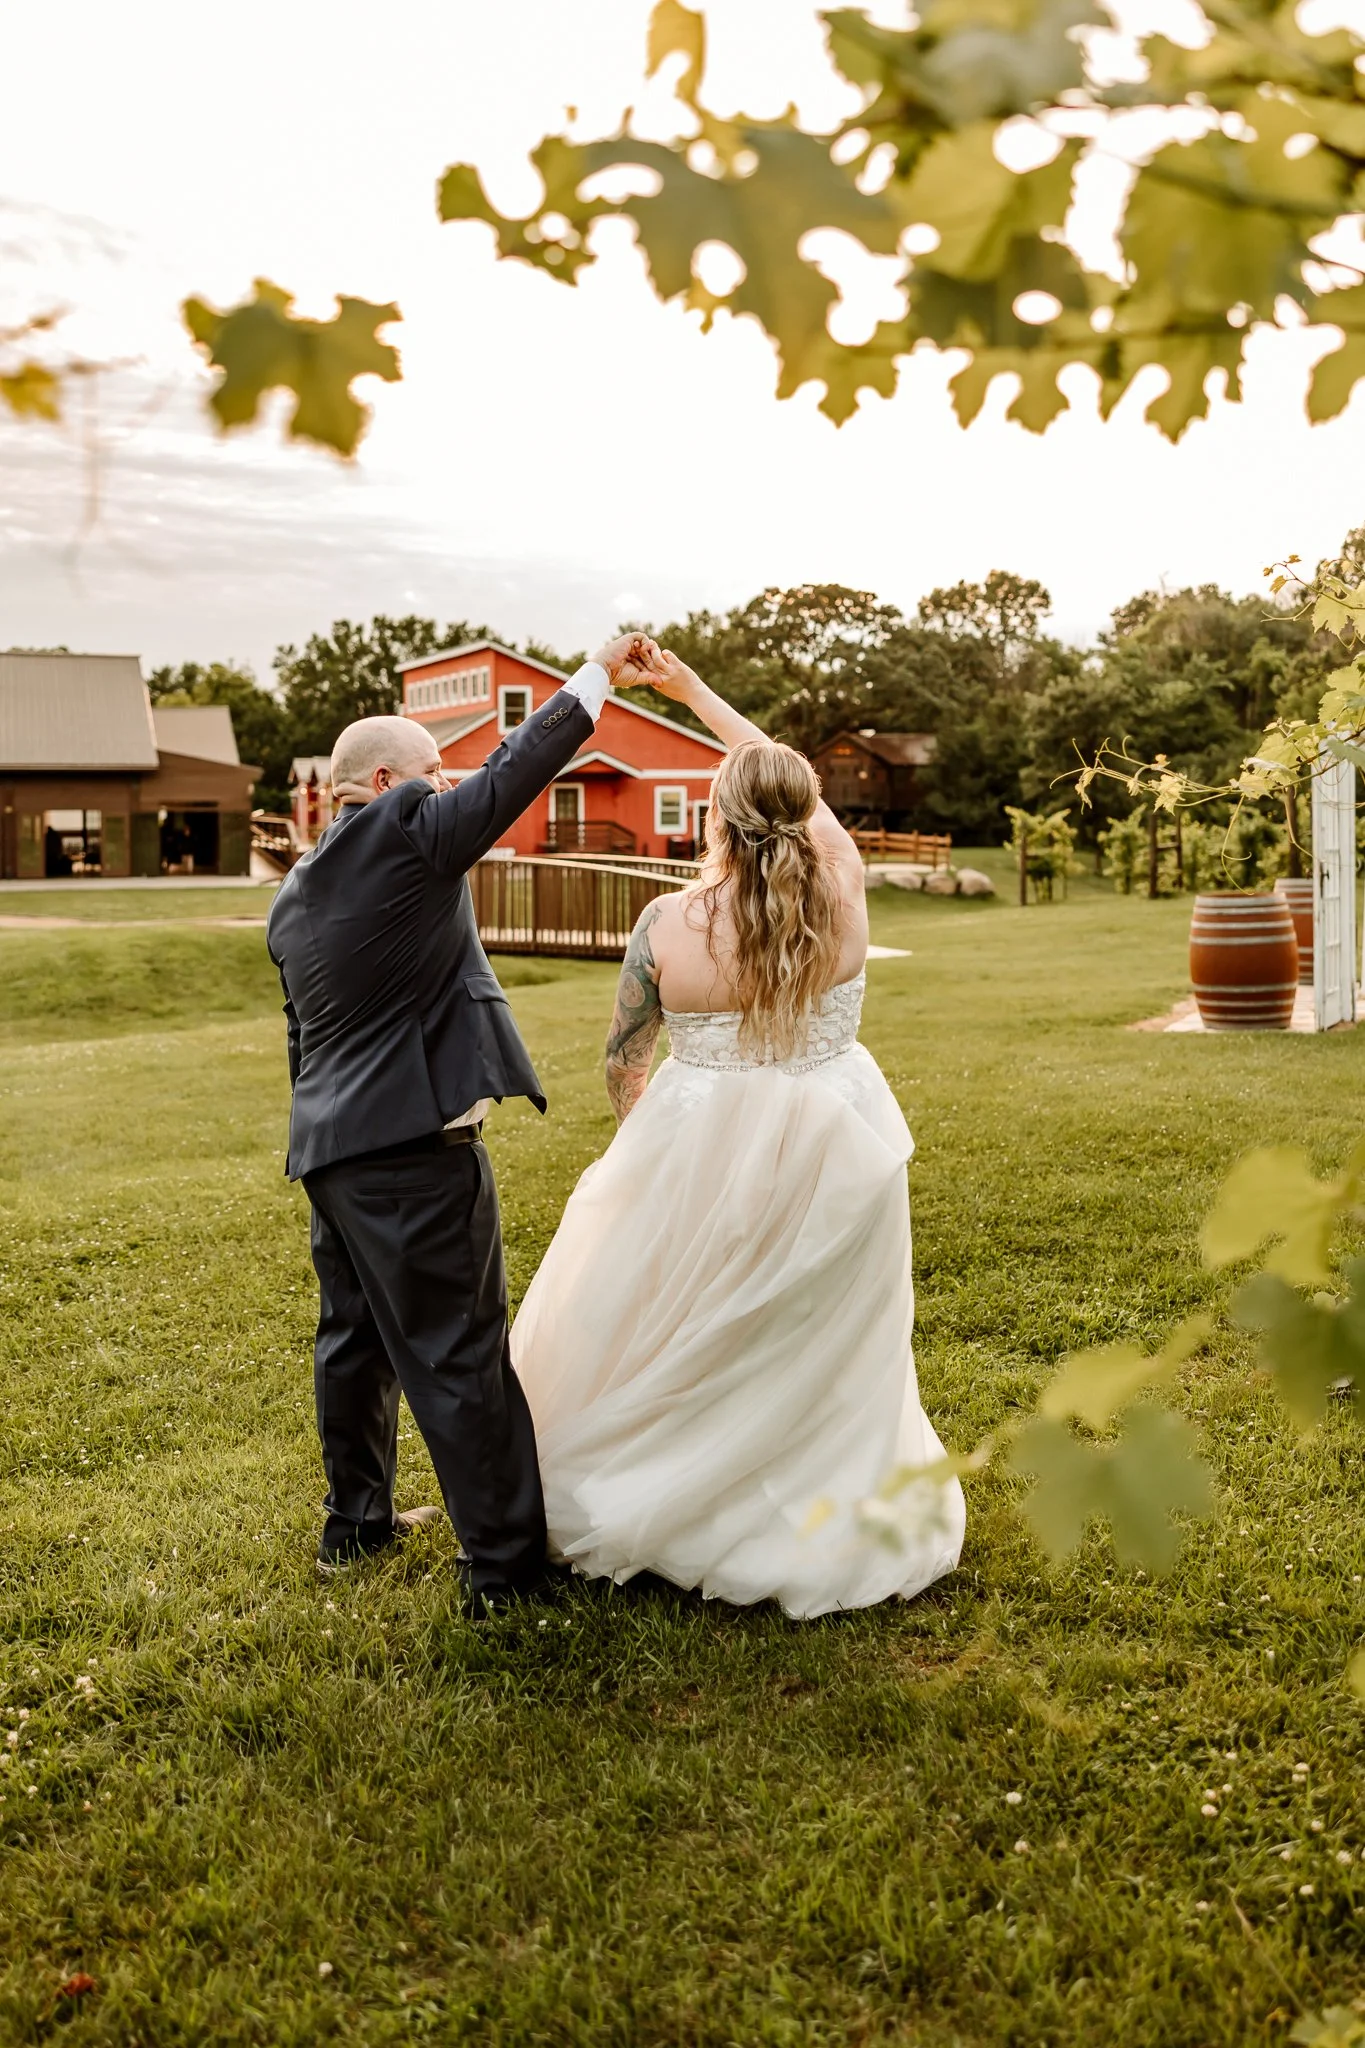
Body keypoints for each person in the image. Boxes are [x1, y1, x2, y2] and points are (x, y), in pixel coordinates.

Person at [511, 649, 965, 1618]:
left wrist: (658, 1146)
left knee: (679, 1319)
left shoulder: (666, 924)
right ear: (804, 812)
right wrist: (694, 694)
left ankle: (675, 1483)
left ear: (716, 818)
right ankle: (807, 1497)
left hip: (695, 1141)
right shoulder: (843, 890)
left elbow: (623, 1054)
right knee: (819, 1337)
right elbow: (774, 771)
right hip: (837, 1141)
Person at [265, 632, 658, 1607]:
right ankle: (506, 1570)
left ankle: (354, 1526)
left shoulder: (295, 893)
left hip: (333, 1151)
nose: (448, 789)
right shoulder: (406, 827)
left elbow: (301, 1041)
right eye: (435, 774)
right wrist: (596, 671)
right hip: (412, 1152)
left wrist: (324, 1133)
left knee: (352, 1343)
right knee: (459, 1355)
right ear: (391, 779)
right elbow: (513, 773)